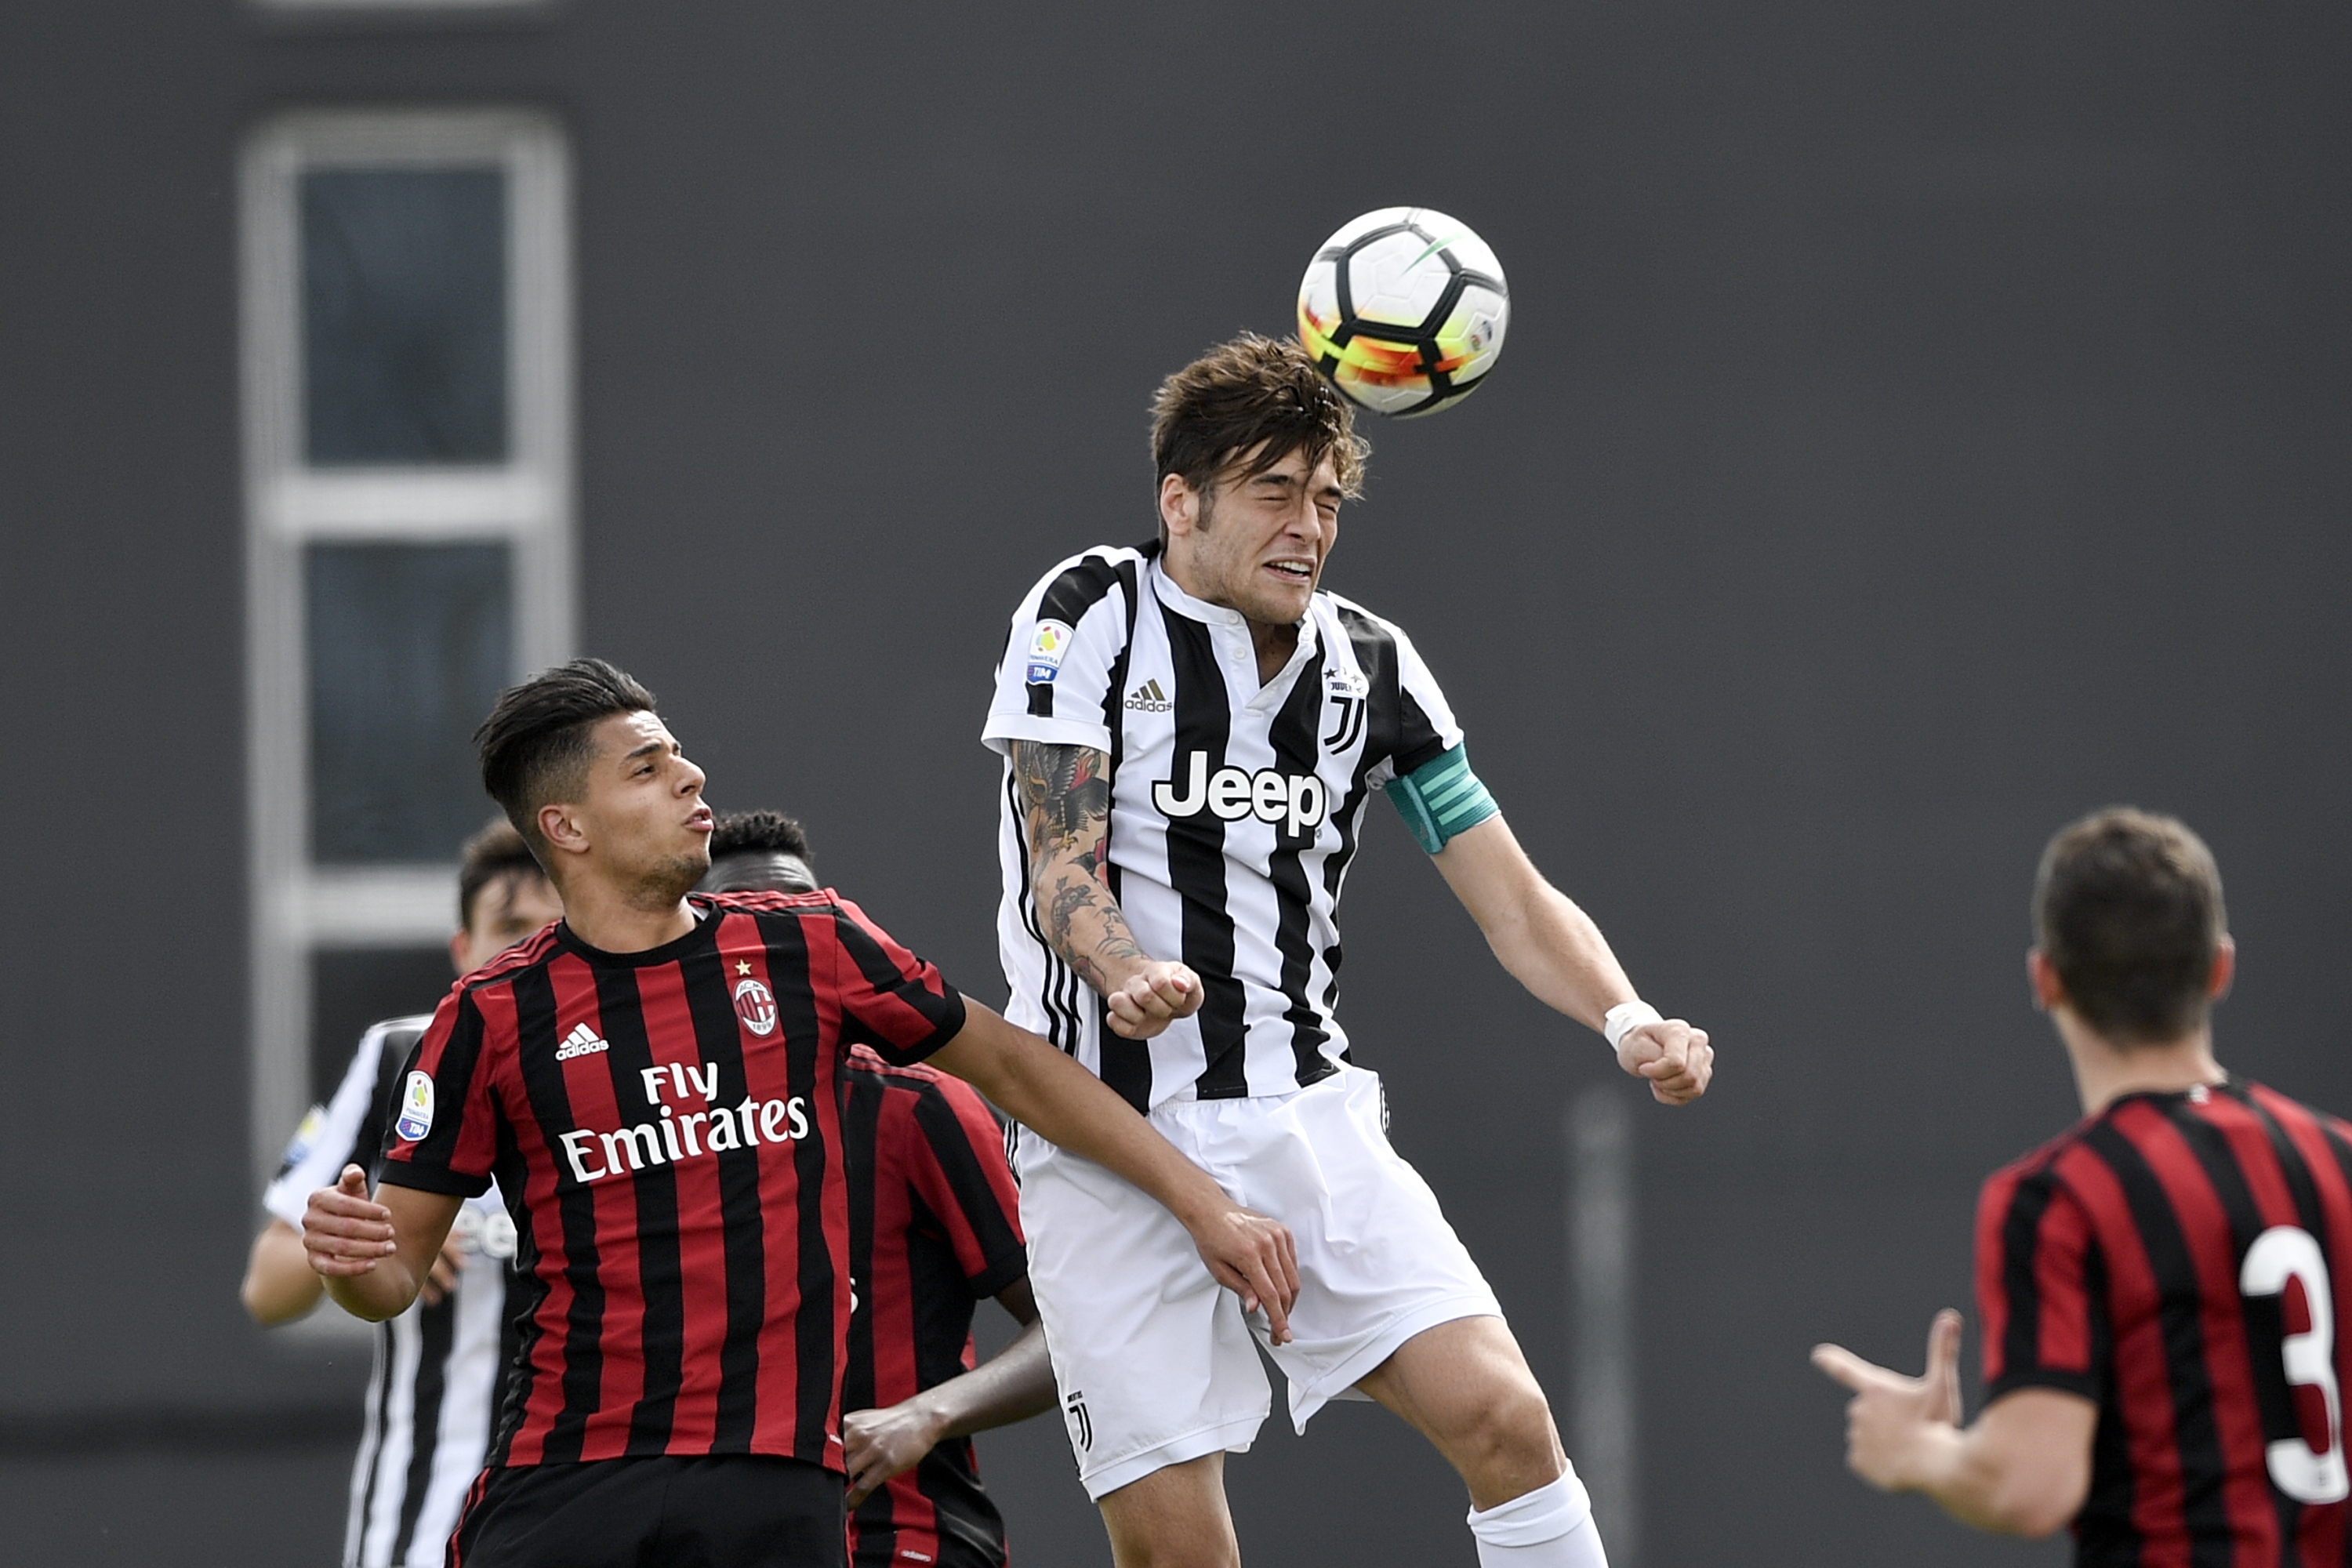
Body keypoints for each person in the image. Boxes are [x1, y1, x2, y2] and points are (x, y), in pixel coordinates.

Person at [299, 658, 1297, 1568]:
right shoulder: (488, 1014)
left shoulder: (809, 944)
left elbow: (1019, 1070)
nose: (691, 776)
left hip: (773, 1484)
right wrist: (353, 1264)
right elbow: (392, 1273)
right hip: (564, 1480)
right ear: (567, 825)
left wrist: (1204, 1202)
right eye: (647, 768)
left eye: (680, 753)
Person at [980, 333, 1715, 1568]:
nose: (1306, 527)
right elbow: (1061, 867)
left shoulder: (1370, 662)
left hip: (1302, 1120)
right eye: (1273, 491)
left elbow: (1516, 900)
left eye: (1327, 501)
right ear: (1182, 501)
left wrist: (1626, 1016)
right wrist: (1125, 972)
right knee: (1177, 1554)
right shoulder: (1088, 610)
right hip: (1107, 1139)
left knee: (1508, 1421)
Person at [1813, 808, 2352, 1563]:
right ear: (2220, 968)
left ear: (2047, 980)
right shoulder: (2336, 1159)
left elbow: (2031, 1485)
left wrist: (1919, 1451)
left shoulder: (2062, 1199)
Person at [699, 810, 1058, 1568]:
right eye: (745, 927)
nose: (777, 949)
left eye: (796, 917)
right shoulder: (667, 1124)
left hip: (904, 1542)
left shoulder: (919, 1108)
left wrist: (923, 1417)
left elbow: (1075, 1330)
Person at [241, 820, 562, 1568]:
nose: (530, 950)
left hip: (601, 1508)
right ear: (462, 951)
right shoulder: (400, 1060)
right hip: (425, 1520)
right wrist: (377, 1239)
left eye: (555, 929)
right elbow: (268, 1288)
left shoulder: (641, 1072)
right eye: (509, 927)